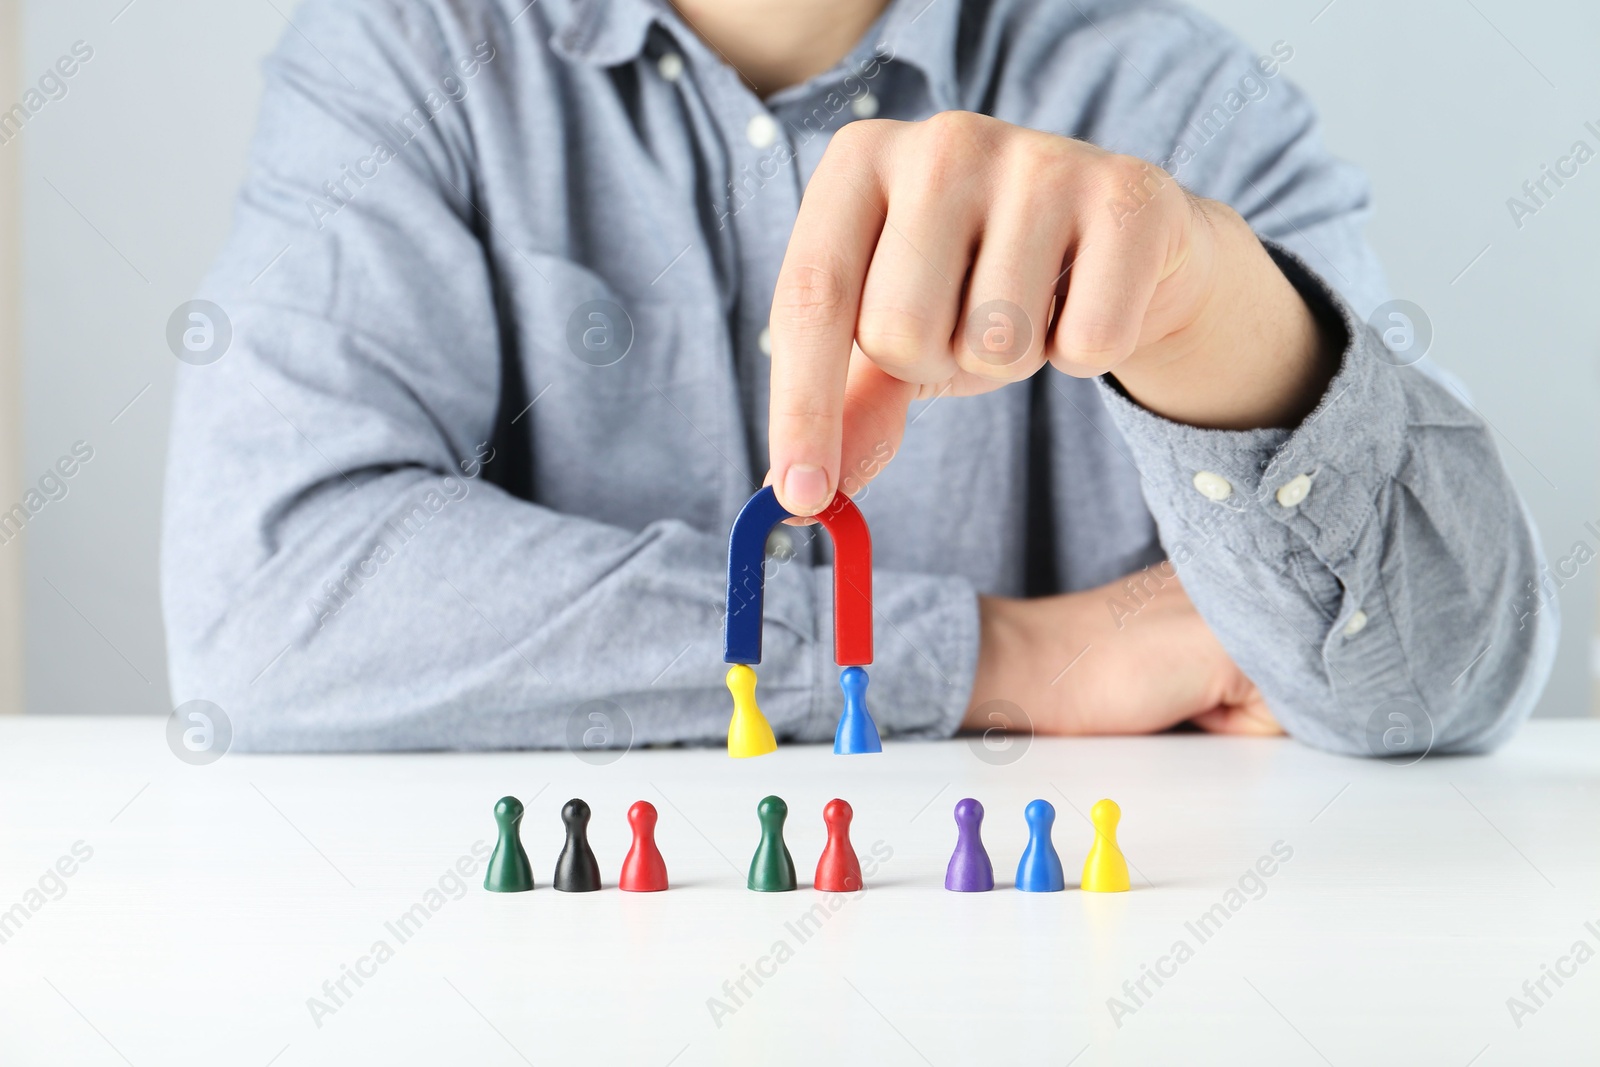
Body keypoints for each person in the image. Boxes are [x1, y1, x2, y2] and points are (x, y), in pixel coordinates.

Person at [161, 0, 1556, 755]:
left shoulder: (1181, 105)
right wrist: (1014, 658)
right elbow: (273, 605)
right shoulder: (408, 59)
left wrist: (1210, 314)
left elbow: (1436, 679)